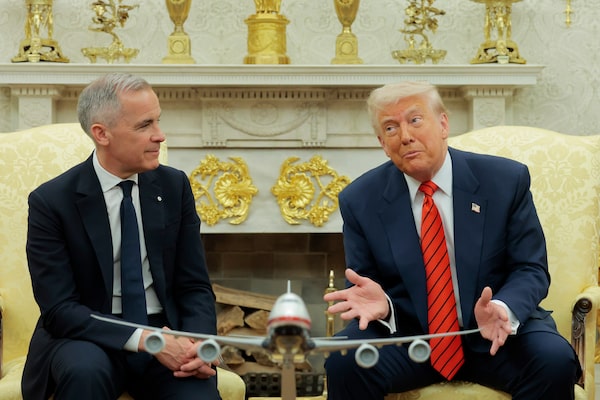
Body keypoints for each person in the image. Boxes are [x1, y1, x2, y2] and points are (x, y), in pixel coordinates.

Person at [323, 81, 581, 400]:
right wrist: (385, 307)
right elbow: (364, 284)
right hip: (409, 337)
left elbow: (530, 269)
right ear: (382, 143)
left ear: (443, 124)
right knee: (344, 361)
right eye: (391, 127)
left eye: (415, 120)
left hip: (497, 333)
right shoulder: (360, 200)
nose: (405, 136)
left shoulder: (504, 181)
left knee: (554, 360)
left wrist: (502, 308)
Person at [22, 73, 221, 400]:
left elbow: (194, 285)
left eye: (158, 121)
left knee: (195, 394)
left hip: (167, 331)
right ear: (102, 134)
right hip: (88, 335)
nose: (160, 135)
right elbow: (60, 309)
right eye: (144, 125)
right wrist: (148, 340)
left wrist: (198, 344)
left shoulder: (174, 187)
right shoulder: (52, 202)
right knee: (84, 373)